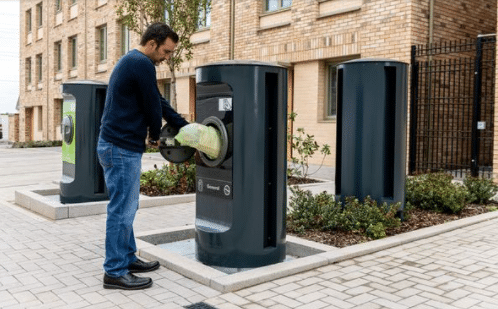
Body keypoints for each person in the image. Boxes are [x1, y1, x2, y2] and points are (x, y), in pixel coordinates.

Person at [97, 22, 189, 290]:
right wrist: (154, 134)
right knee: (122, 210)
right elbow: (151, 106)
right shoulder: (141, 63)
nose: (167, 57)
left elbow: (156, 101)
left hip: (117, 145)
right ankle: (114, 271)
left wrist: (182, 124)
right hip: (121, 147)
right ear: (152, 43)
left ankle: (127, 257)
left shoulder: (134, 62)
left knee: (127, 206)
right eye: (166, 51)